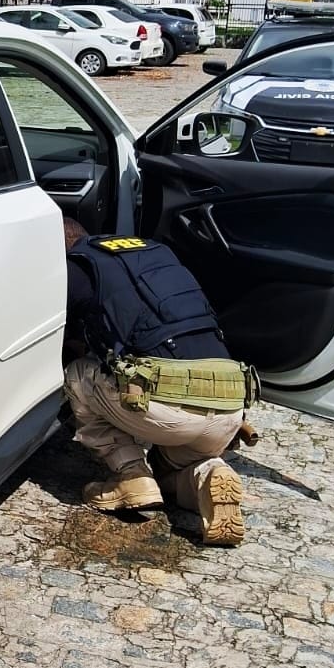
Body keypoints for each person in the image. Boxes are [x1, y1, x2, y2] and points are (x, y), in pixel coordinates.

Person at [61, 217, 257, 546]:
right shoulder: (153, 251)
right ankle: (210, 474)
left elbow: (61, 333)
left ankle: (131, 474)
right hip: (228, 404)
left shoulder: (76, 267)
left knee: (79, 374)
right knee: (174, 471)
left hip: (166, 410)